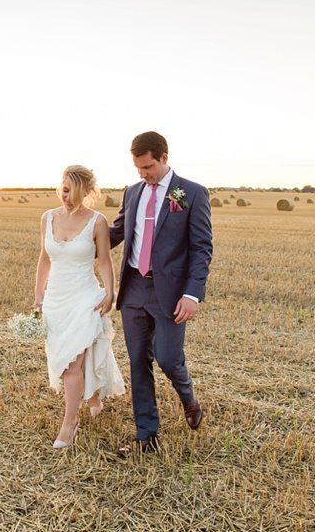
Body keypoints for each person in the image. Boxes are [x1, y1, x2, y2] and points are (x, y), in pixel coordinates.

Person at [109, 131, 213, 456]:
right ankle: (147, 437)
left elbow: (201, 249)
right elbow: (117, 232)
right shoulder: (132, 193)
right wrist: (76, 235)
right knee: (138, 362)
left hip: (170, 293)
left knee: (168, 359)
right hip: (134, 289)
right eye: (138, 168)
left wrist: (192, 294)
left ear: (164, 157)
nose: (143, 174)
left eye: (149, 166)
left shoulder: (192, 194)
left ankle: (189, 398)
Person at [34, 165, 126, 449]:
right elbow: (45, 259)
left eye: (75, 193)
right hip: (56, 300)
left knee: (72, 363)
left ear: (87, 193)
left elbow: (104, 262)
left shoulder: (97, 221)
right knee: (63, 356)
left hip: (84, 297)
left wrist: (110, 292)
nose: (68, 198)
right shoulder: (47, 218)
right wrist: (38, 295)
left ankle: (69, 423)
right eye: (64, 190)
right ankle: (93, 396)